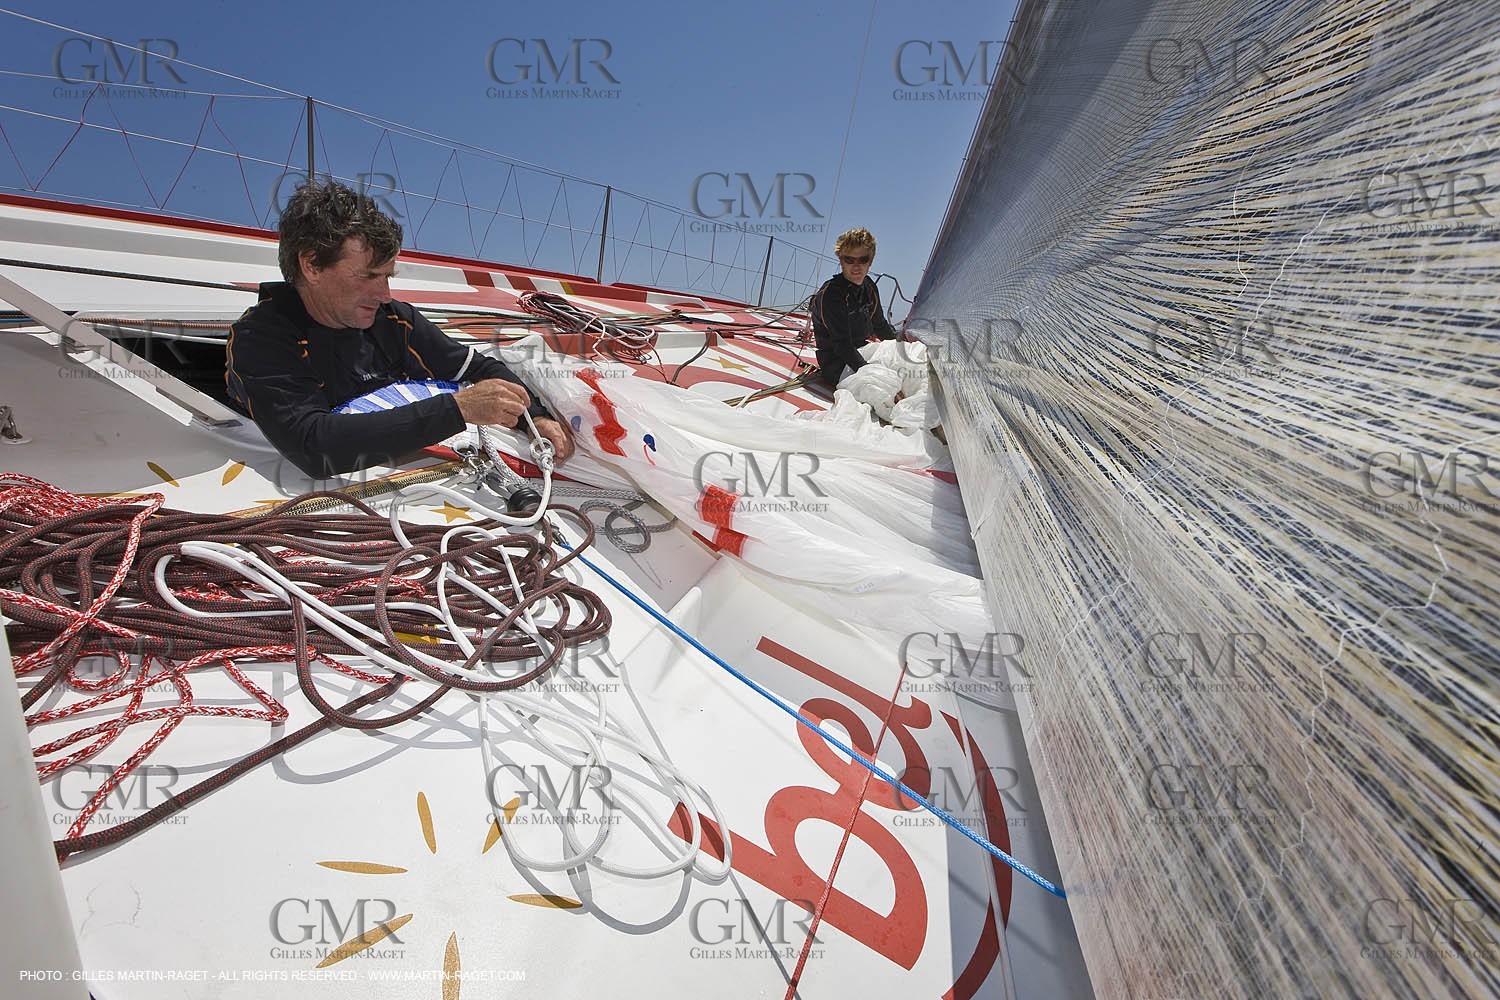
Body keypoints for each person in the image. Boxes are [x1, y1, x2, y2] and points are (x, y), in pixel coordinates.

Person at [226, 181, 573, 478]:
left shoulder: (393, 320)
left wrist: (535, 420)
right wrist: (458, 409)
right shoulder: (261, 339)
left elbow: (480, 368)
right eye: (368, 276)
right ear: (312, 265)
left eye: (387, 276)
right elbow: (314, 447)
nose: (384, 295)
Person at [809, 227, 899, 387]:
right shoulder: (832, 295)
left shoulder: (869, 287)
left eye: (862, 260)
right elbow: (842, 345)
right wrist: (869, 374)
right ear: (841, 260)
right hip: (837, 363)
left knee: (905, 370)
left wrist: (903, 348)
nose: (856, 266)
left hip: (862, 351)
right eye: (849, 260)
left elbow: (880, 326)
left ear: (870, 261)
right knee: (880, 388)